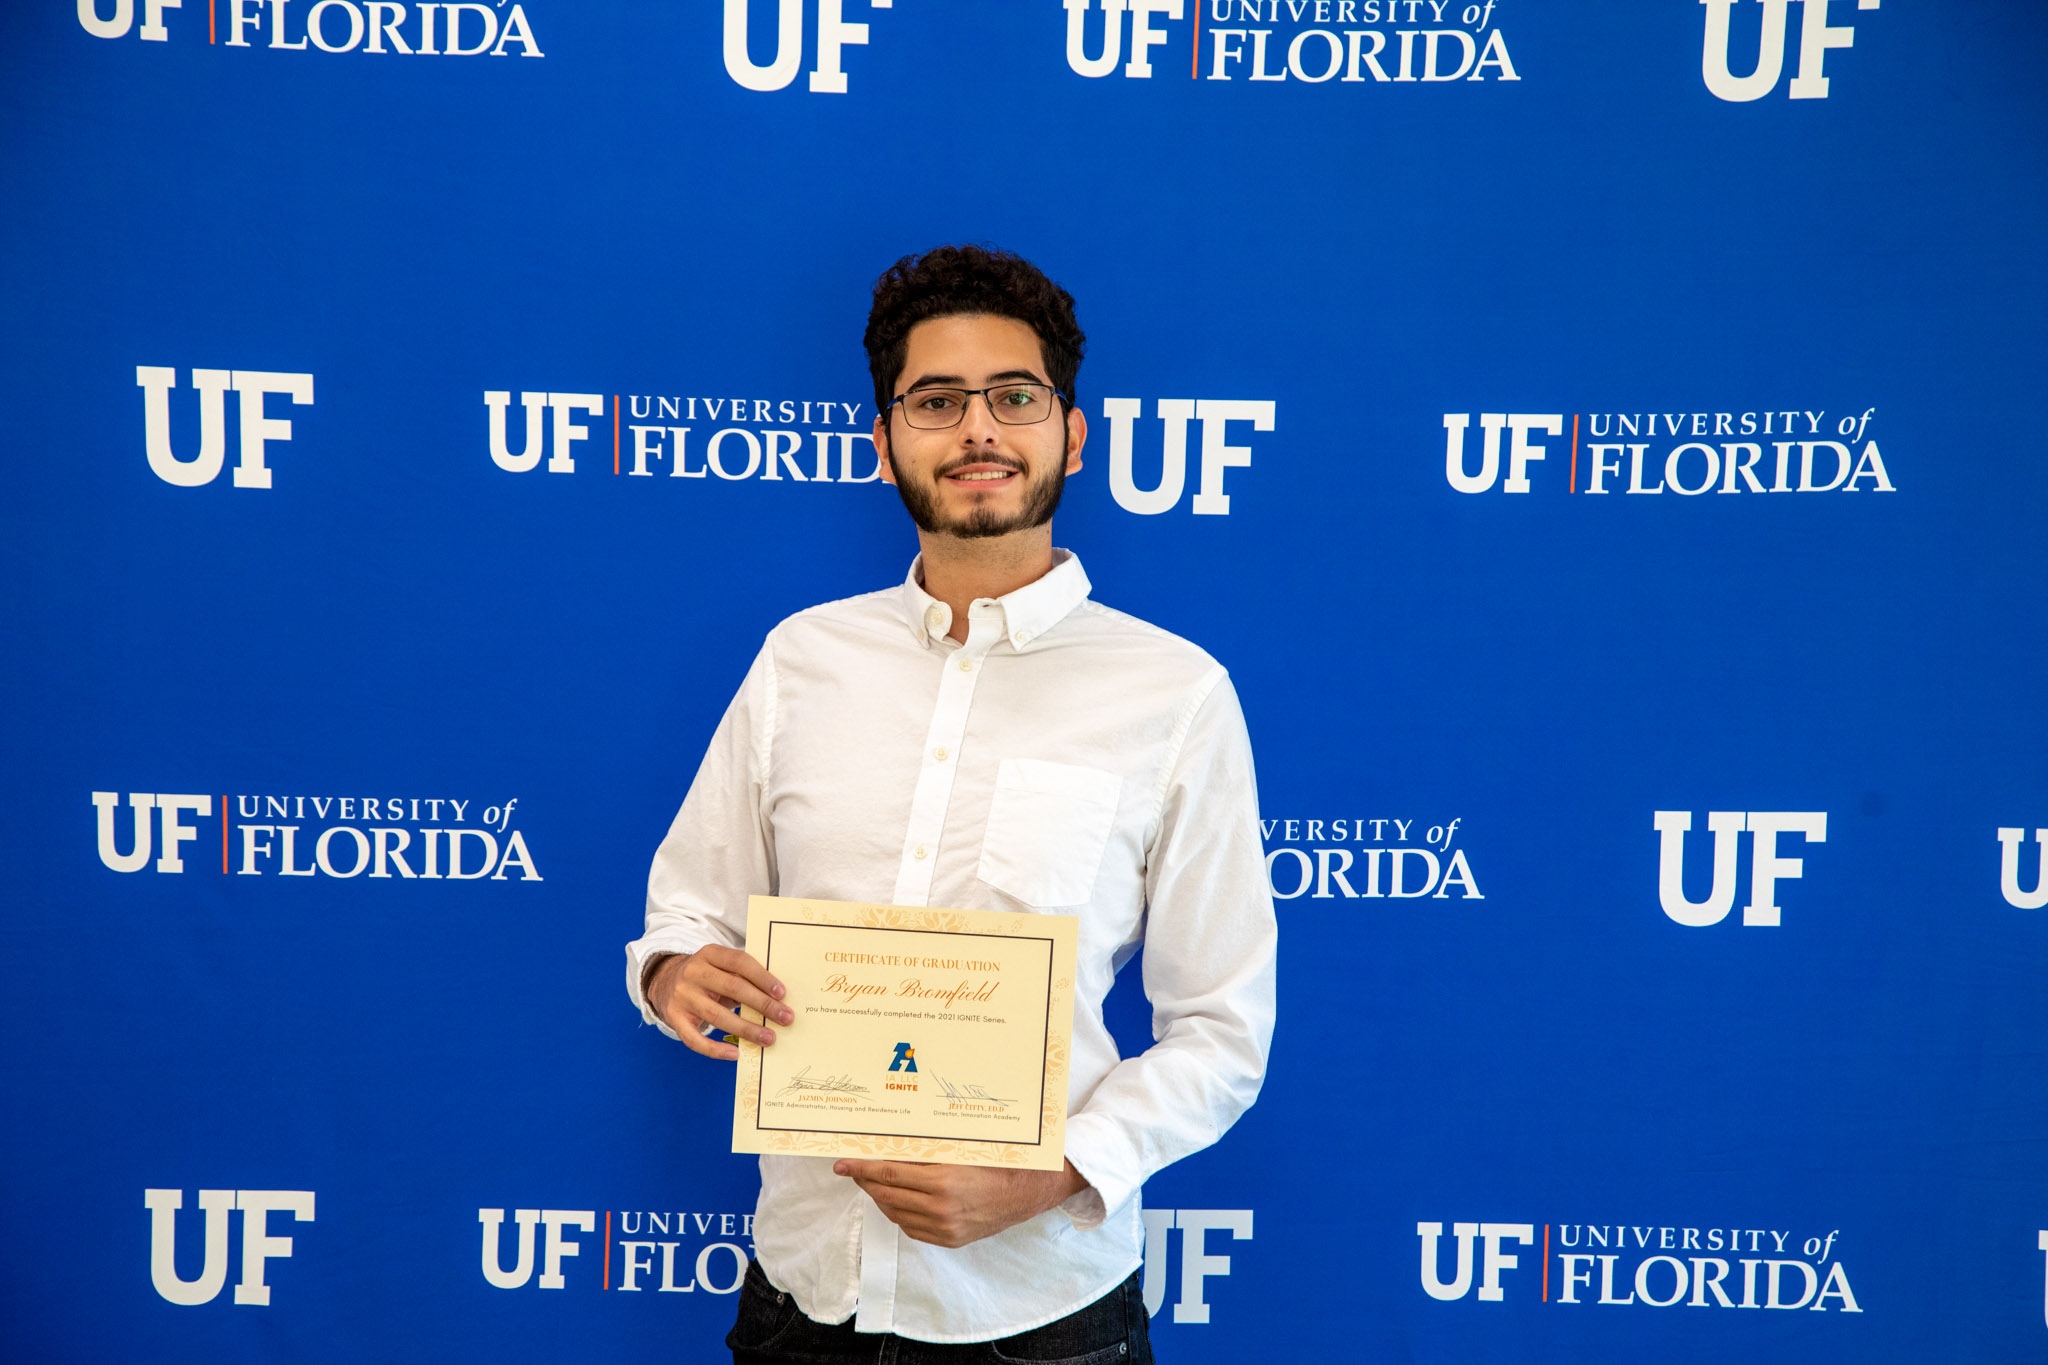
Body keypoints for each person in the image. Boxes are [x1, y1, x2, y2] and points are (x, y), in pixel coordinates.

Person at [625, 244, 1277, 1363]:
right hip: (799, 1303)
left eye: (1012, 397)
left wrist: (1056, 1172)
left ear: (1070, 434)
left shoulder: (1174, 694)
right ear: (884, 446)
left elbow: (1221, 1032)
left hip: (1039, 1316)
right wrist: (676, 974)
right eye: (935, 402)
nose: (977, 429)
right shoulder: (801, 659)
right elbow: (686, 913)